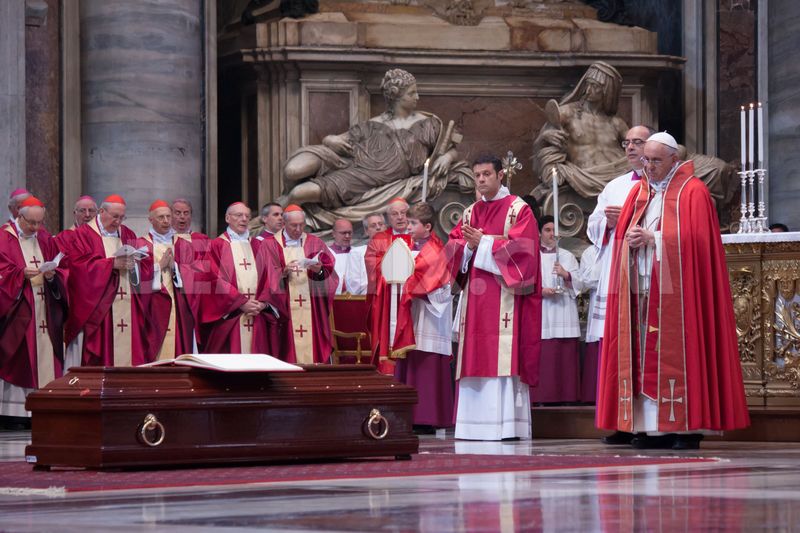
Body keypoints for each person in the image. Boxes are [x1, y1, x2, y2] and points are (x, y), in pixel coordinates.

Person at [596, 132, 750, 450]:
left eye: (655, 161)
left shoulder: (692, 193)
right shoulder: (639, 194)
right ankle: (647, 426)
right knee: (639, 354)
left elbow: (698, 242)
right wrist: (631, 240)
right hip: (641, 286)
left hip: (678, 293)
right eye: (645, 160)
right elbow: (621, 238)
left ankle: (684, 426)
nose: (648, 167)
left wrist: (654, 240)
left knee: (677, 352)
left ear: (673, 160)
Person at [447, 155, 542, 440]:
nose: (481, 180)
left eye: (487, 174)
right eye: (477, 175)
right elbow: (452, 247)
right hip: (475, 302)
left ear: (501, 175)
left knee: (502, 355)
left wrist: (483, 243)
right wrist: (466, 248)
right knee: (474, 353)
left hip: (505, 298)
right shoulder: (469, 212)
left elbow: (525, 251)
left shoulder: (518, 209)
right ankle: (472, 426)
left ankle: (505, 426)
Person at [586, 125, 654, 444]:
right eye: (626, 143)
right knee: (619, 347)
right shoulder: (614, 186)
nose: (629, 148)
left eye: (637, 142)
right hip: (619, 274)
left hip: (653, 276)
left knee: (646, 348)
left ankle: (649, 422)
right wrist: (607, 223)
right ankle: (623, 421)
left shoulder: (665, 186)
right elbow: (593, 225)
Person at [63, 195, 170, 367]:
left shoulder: (127, 233)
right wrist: (111, 264)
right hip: (101, 308)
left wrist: (135, 263)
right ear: (101, 212)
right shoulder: (82, 235)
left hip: (128, 305)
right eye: (114, 216)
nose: (118, 221)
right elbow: (78, 269)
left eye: (122, 217)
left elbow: (143, 265)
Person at [0, 196, 67, 429]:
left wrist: (51, 276)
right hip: (20, 309)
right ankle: (16, 412)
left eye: (40, 223)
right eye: (31, 223)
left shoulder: (45, 238)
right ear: (19, 217)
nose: (36, 228)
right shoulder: (4, 237)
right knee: (21, 357)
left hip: (45, 308)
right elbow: (2, 270)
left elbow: (61, 269)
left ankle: (48, 405)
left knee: (46, 353)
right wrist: (19, 274)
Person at [392, 202, 454, 432]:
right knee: (411, 364)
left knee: (426, 368)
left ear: (427, 227)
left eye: (413, 223)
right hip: (411, 314)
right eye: (408, 222)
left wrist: (415, 286)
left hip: (430, 319)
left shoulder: (437, 252)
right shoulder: (407, 248)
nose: (407, 226)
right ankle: (409, 416)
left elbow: (442, 289)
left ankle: (428, 418)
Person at [200, 202, 285, 355]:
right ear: (227, 218)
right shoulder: (216, 246)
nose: (244, 219)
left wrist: (264, 303)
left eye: (247, 216)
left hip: (257, 315)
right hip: (232, 319)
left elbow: (271, 277)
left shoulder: (259, 245)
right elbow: (213, 279)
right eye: (239, 215)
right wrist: (241, 303)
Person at [265, 205, 337, 364]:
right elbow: (263, 277)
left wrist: (318, 271)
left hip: (312, 310)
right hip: (285, 311)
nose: (299, 229)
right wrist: (282, 273)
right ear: (284, 224)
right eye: (294, 225)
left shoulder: (315, 242)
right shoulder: (270, 245)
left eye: (302, 225)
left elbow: (330, 275)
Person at [531, 215, 583, 404]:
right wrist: (541, 291)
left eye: (554, 230)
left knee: (564, 358)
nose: (552, 234)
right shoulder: (532, 256)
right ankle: (542, 398)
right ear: (539, 232)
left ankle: (566, 397)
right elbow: (525, 284)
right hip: (543, 311)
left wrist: (566, 275)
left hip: (563, 311)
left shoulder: (567, 256)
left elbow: (580, 284)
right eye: (548, 230)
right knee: (545, 358)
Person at [138, 200, 197, 359]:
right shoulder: (141, 244)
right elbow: (136, 281)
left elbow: (196, 275)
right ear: (151, 220)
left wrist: (175, 268)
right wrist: (158, 267)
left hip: (179, 306)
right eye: (161, 217)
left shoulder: (183, 244)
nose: (166, 221)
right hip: (153, 308)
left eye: (168, 217)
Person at [365, 198, 413, 373]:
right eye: (395, 214)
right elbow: (372, 265)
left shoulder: (418, 237)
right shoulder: (379, 239)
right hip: (388, 299)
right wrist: (393, 272)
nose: (400, 217)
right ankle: (388, 371)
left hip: (413, 297)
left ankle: (412, 371)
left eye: (404, 213)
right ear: (388, 218)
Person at [577, 243, 600, 403]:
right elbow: (585, 281)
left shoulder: (621, 246)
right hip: (597, 302)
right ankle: (593, 395)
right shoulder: (589, 252)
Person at [343, 212, 386, 296]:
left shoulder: (395, 251)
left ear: (385, 227)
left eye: (380, 224)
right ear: (366, 231)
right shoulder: (357, 253)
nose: (378, 228)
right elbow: (353, 285)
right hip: (366, 300)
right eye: (373, 226)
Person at [328, 218, 354, 294]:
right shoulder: (325, 254)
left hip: (357, 299)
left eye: (350, 233)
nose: (347, 236)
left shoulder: (358, 253)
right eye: (343, 233)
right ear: (333, 234)